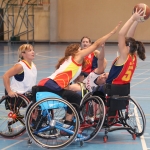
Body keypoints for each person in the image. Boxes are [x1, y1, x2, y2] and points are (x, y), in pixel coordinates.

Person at [37, 22, 121, 130]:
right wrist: (111, 33)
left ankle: (65, 119)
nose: (83, 48)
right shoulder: (77, 57)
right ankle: (68, 122)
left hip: (50, 82)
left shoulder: (71, 61)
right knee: (74, 94)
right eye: (81, 46)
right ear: (76, 51)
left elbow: (102, 61)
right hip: (55, 84)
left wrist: (102, 49)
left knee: (73, 92)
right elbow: (96, 45)